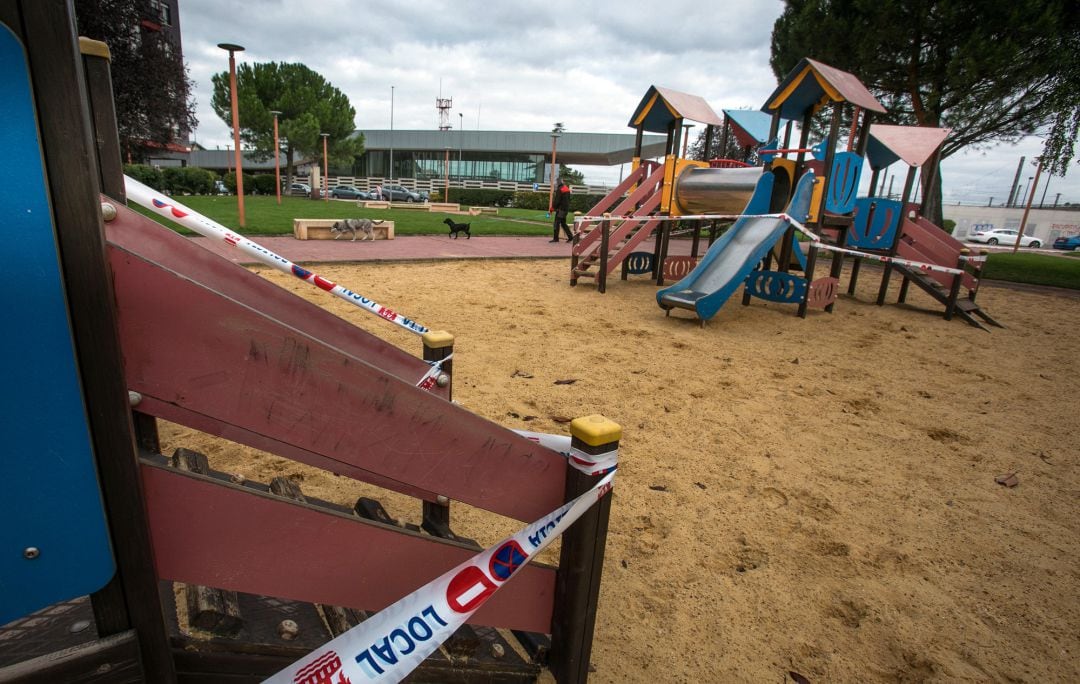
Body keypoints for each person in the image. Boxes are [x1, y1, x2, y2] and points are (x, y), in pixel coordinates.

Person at [550, 178, 574, 242]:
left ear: (558, 183)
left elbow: (557, 200)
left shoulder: (559, 189)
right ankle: (570, 236)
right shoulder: (566, 188)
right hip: (565, 209)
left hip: (560, 210)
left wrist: (553, 208)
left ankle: (555, 238)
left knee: (556, 224)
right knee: (563, 223)